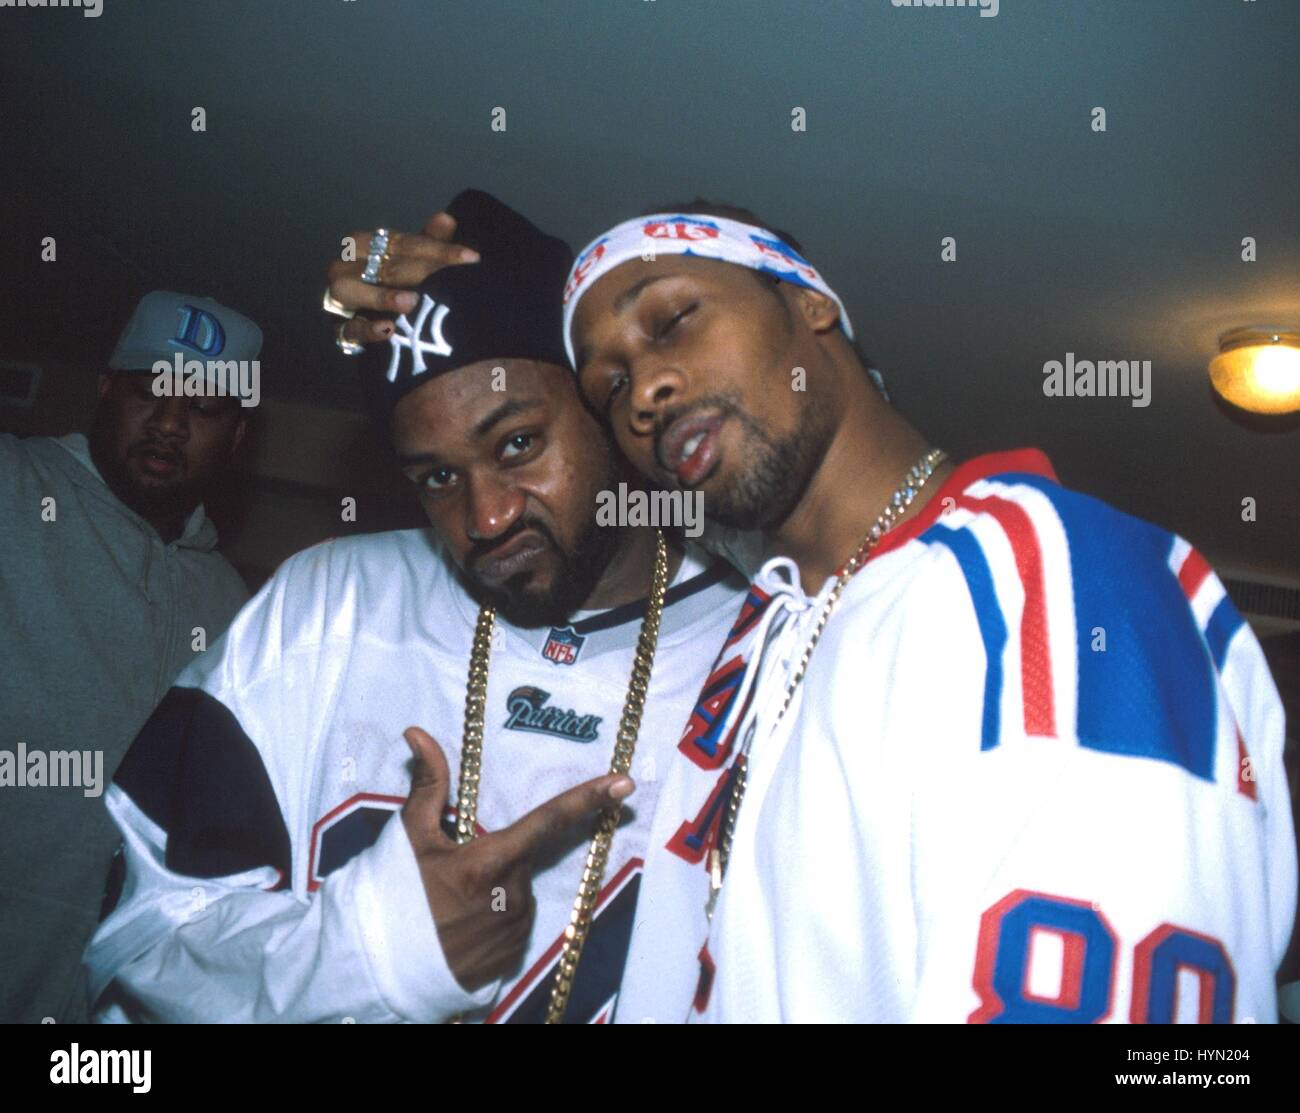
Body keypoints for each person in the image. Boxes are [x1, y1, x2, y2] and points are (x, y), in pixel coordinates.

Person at [562, 202, 1297, 1022]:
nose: (645, 397)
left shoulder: (1044, 569)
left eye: (674, 319)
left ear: (811, 303)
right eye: (611, 386)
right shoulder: (758, 639)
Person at [84, 191, 746, 1023]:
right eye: (437, 475)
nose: (487, 517)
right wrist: (375, 949)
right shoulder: (326, 602)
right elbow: (135, 950)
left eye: (517, 444)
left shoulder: (758, 642)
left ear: (610, 409)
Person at [0, 291, 256, 1022]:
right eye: (151, 390)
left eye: (204, 408)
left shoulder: (234, 604)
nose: (171, 422)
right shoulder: (14, 488)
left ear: (235, 435)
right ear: (107, 389)